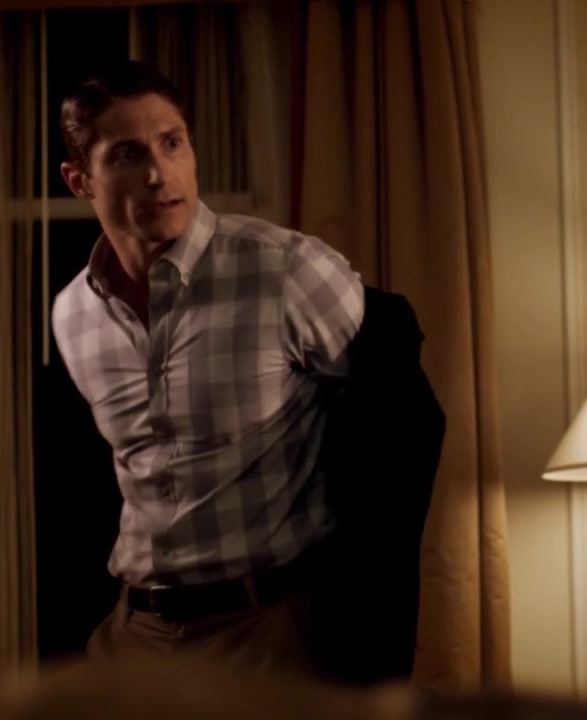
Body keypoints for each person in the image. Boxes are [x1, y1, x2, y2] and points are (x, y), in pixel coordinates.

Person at [50, 60, 364, 679]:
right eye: (128, 155)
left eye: (172, 144)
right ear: (80, 179)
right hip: (135, 630)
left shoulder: (288, 272)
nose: (158, 174)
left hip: (265, 627)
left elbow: (387, 428)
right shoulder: (72, 314)